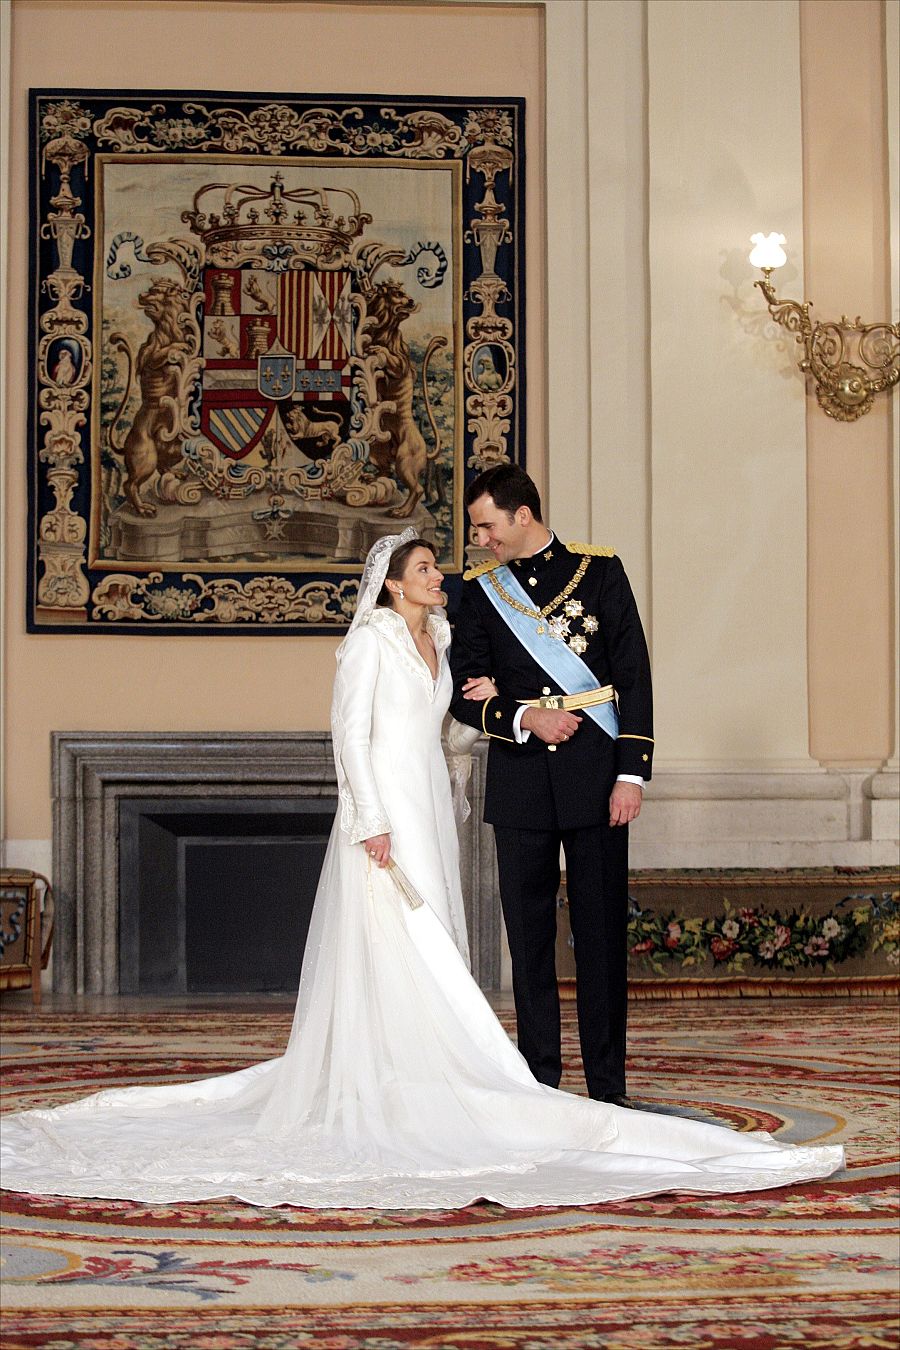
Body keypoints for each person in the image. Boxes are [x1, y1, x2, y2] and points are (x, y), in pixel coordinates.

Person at [0, 531, 843, 1209]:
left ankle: (429, 1071)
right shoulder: (367, 643)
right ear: (394, 584)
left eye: (442, 561)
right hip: (384, 812)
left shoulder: (439, 636)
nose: (445, 572)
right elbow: (349, 738)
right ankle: (409, 1075)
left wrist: (509, 709)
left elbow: (473, 712)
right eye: (428, 566)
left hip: (432, 804)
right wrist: (368, 822)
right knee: (400, 941)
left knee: (435, 928)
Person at [450, 464, 652, 1106]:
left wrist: (630, 773)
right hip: (521, 784)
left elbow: (634, 675)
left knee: (599, 939)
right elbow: (463, 692)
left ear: (522, 515)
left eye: (486, 526)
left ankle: (607, 1087)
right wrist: (523, 715)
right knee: (528, 940)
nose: (480, 540)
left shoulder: (601, 572)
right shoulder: (478, 593)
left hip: (599, 778)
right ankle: (541, 1083)